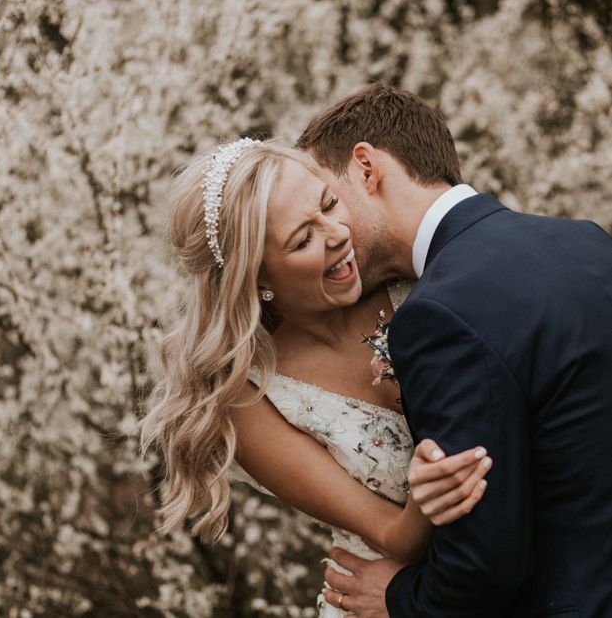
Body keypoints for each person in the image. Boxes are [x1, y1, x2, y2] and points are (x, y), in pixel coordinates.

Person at [140, 137, 491, 617]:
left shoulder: (408, 274)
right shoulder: (252, 399)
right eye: (302, 239)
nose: (337, 234)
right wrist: (426, 495)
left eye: (329, 203)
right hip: (382, 600)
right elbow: (392, 536)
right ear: (257, 278)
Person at [296, 84, 612, 617]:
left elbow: (486, 562)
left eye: (328, 200)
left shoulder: (439, 314)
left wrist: (399, 598)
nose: (331, 233)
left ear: (367, 168)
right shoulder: (586, 241)